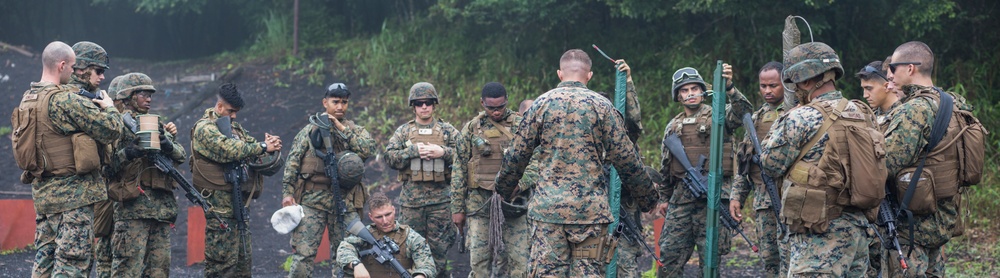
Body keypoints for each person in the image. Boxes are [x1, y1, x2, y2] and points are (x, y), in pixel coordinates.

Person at [493, 49, 656, 277]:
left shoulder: (541, 105)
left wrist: (503, 187)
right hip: (589, 214)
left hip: (549, 213)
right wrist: (648, 197)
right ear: (589, 75)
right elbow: (627, 158)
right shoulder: (603, 107)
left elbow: (517, 155)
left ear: (560, 74)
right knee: (588, 273)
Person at [760, 42, 877, 277]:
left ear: (805, 81)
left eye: (795, 85)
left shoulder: (801, 117)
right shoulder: (862, 113)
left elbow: (770, 164)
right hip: (858, 230)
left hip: (818, 236)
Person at [15, 41, 122, 277]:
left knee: (45, 262)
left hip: (44, 195)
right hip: (72, 199)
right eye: (73, 67)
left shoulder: (29, 98)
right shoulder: (66, 100)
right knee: (73, 264)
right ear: (62, 65)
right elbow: (112, 129)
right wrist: (110, 107)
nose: (75, 72)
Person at [883, 41, 973, 277]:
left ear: (910, 68)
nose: (890, 74)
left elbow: (887, 165)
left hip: (912, 223)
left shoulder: (914, 110)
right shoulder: (955, 103)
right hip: (944, 214)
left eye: (893, 67)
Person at [655, 63, 751, 277]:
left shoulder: (718, 116)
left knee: (709, 263)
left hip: (712, 200)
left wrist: (730, 89)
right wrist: (664, 197)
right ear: (678, 96)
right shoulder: (673, 125)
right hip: (681, 201)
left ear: (703, 91)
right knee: (669, 258)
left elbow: (744, 113)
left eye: (694, 89)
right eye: (684, 90)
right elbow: (666, 165)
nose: (690, 94)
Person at [281, 83, 377, 277]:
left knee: (347, 255)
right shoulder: (310, 131)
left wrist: (341, 128)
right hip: (312, 201)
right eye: (335, 102)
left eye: (344, 102)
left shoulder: (353, 130)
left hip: (344, 201)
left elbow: (367, 150)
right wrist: (287, 193)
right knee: (303, 256)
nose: (340, 106)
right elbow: (293, 162)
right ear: (325, 103)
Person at [191, 83, 284, 277]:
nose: (233, 116)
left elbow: (250, 147)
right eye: (231, 111)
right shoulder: (204, 128)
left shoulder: (235, 128)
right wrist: (262, 146)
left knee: (243, 264)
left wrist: (271, 145)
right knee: (221, 265)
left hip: (239, 205)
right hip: (219, 209)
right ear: (219, 107)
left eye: (236, 112)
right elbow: (229, 149)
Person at [106, 72, 186, 277]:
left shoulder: (154, 124)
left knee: (159, 270)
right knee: (127, 269)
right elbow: (105, 167)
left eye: (151, 94)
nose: (149, 98)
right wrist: (129, 153)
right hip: (133, 210)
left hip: (160, 210)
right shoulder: (117, 125)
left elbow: (181, 155)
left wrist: (167, 145)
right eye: (143, 94)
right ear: (129, 96)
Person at [384, 82, 459, 277]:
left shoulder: (448, 131)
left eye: (428, 102)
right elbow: (389, 157)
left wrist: (443, 152)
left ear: (434, 104)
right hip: (412, 202)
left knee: (439, 252)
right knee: (408, 250)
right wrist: (412, 151)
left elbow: (466, 155)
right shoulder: (404, 132)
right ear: (413, 106)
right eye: (419, 103)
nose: (424, 107)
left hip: (441, 201)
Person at [450, 82, 520, 277]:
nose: (496, 112)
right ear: (482, 103)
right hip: (479, 203)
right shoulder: (471, 129)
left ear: (507, 102)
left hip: (514, 204)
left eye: (501, 107)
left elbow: (536, 161)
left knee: (517, 262)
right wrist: (457, 208)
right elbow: (459, 169)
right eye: (491, 108)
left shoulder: (521, 125)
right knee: (479, 262)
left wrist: (521, 184)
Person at [729, 61, 789, 278]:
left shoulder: (797, 112)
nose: (767, 91)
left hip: (790, 200)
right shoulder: (756, 118)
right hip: (764, 201)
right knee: (770, 259)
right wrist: (737, 196)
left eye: (773, 85)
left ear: (785, 84)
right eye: (763, 86)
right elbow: (745, 161)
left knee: (791, 257)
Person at [66, 41, 115, 277]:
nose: (102, 77)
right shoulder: (78, 100)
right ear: (82, 68)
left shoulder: (58, 95)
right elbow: (112, 129)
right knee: (77, 261)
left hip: (69, 193)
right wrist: (110, 108)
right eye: (99, 71)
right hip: (77, 194)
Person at [336, 192, 435, 278]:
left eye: (388, 214)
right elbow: (344, 249)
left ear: (394, 210)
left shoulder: (411, 237)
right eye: (379, 217)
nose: (385, 221)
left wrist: (421, 275)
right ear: (371, 217)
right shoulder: (365, 234)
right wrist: (356, 264)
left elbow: (427, 265)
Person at [858, 60, 900, 130]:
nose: (865, 95)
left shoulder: (904, 114)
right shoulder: (868, 117)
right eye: (863, 89)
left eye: (869, 88)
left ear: (887, 86)